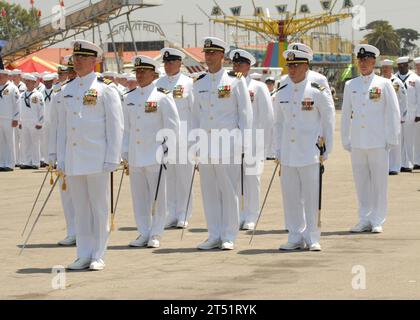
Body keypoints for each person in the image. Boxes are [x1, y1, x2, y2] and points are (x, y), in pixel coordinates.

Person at [57, 40, 124, 271]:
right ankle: (83, 254)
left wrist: (113, 157)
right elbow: (62, 127)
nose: (77, 62)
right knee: (81, 209)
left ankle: (98, 254)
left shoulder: (106, 89)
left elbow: (116, 126)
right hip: (74, 159)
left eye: (83, 58)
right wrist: (61, 157)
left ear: (95, 61)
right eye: (75, 58)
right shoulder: (68, 89)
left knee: (99, 207)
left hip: (97, 158)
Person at [192, 37, 253, 250]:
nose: (208, 57)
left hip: (229, 146)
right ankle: (213, 234)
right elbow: (194, 118)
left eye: (212, 53)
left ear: (221, 56)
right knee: (209, 192)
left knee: (229, 192)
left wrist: (244, 145)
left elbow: (245, 115)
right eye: (206, 53)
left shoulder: (236, 81)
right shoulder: (198, 82)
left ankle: (229, 235)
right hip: (206, 147)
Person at [273, 46, 335, 251]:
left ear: (306, 66)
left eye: (296, 65)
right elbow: (278, 122)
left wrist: (326, 147)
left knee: (311, 196)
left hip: (310, 151)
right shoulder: (282, 88)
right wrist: (278, 151)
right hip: (289, 152)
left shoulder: (316, 88)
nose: (292, 69)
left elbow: (328, 118)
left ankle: (313, 236)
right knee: (290, 197)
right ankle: (294, 236)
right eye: (289, 65)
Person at [341, 44, 400, 234]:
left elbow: (393, 112)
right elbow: (345, 114)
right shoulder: (351, 85)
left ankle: (377, 219)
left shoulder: (384, 84)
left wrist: (392, 137)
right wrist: (345, 138)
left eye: (366, 60)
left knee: (379, 182)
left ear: (374, 62)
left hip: (378, 141)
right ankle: (364, 218)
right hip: (358, 141)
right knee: (361, 182)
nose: (363, 64)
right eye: (360, 60)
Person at [123, 55, 180, 248]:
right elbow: (127, 129)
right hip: (136, 155)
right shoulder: (129, 98)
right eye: (137, 72)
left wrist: (168, 152)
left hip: (156, 155)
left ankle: (156, 233)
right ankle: (143, 232)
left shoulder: (162, 97)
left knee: (158, 197)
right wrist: (125, 152)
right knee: (139, 198)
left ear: (153, 74)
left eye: (143, 72)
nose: (139, 75)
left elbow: (172, 127)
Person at [229, 49, 274, 231]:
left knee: (251, 179)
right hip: (233, 141)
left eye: (241, 64)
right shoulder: (229, 85)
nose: (237, 67)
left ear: (248, 66)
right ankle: (238, 214)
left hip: (254, 141)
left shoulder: (258, 87)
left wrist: (265, 146)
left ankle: (251, 215)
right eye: (235, 64)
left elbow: (268, 117)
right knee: (235, 180)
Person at [156, 48, 195, 229]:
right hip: (164, 138)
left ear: (180, 63)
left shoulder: (189, 83)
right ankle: (170, 213)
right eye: (166, 62)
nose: (168, 65)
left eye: (172, 62)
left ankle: (184, 213)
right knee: (168, 178)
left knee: (184, 177)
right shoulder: (157, 83)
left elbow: (195, 111)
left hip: (185, 138)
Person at [381, 59, 408, 175]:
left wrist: (402, 115)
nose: (385, 70)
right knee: (383, 143)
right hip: (381, 117)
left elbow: (403, 99)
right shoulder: (377, 81)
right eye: (383, 68)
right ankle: (384, 166)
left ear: (391, 69)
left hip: (394, 116)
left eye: (387, 67)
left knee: (395, 143)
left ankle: (395, 167)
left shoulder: (396, 82)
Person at [395, 56, 420, 172]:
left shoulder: (415, 79)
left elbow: (419, 97)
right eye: (399, 66)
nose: (401, 68)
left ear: (407, 66)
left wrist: (418, 113)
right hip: (398, 114)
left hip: (412, 114)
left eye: (403, 65)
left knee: (410, 140)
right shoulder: (394, 79)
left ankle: (411, 163)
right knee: (399, 140)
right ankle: (400, 163)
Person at [19, 73, 45, 170]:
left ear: (34, 83)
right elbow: (20, 109)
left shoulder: (38, 95)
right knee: (25, 143)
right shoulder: (22, 95)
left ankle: (35, 162)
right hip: (24, 121)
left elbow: (42, 109)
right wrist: (20, 121)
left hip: (34, 122)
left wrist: (40, 122)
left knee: (35, 143)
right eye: (27, 81)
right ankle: (26, 162)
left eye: (30, 82)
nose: (28, 83)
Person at [0, 68, 20, 171]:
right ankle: (2, 162)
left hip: (9, 119)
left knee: (9, 141)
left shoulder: (13, 88)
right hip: (0, 118)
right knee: (1, 142)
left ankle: (10, 163)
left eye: (1, 75)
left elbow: (17, 104)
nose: (0, 77)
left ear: (6, 76)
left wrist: (16, 118)